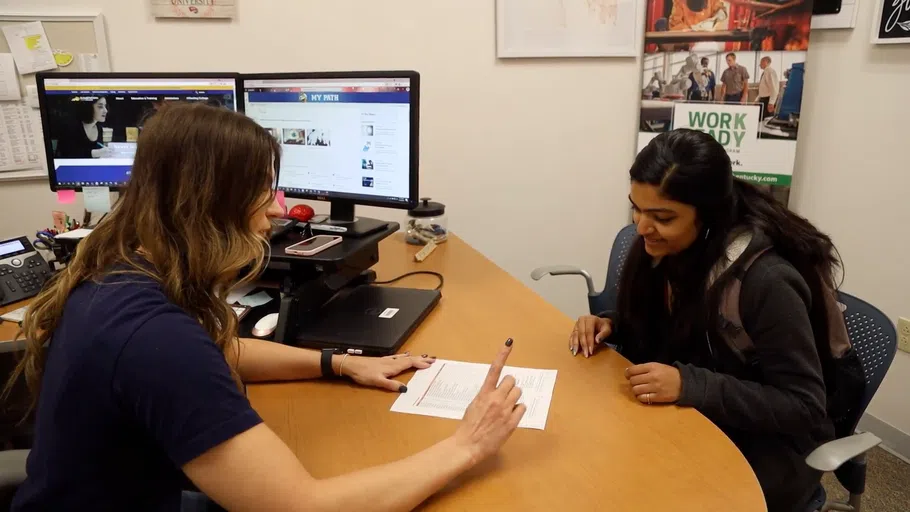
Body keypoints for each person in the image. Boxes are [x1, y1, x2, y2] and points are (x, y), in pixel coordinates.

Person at [4, 103, 526, 511]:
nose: (279, 208)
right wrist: (467, 445)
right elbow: (302, 506)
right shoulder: (154, 339)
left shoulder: (121, 271)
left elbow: (218, 351)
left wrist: (340, 362)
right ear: (211, 205)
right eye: (263, 191)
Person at [568, 129, 839, 511]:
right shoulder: (665, 246)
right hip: (695, 418)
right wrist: (613, 323)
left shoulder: (766, 281)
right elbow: (680, 330)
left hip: (766, 446)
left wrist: (689, 384)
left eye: (661, 216)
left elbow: (804, 406)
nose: (641, 227)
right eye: (636, 207)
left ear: (709, 215)